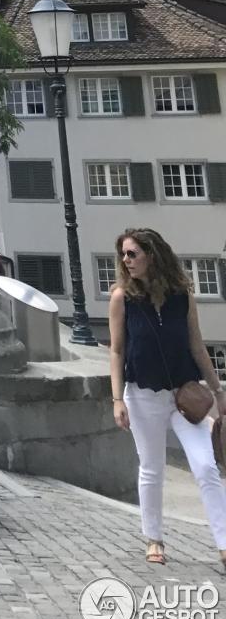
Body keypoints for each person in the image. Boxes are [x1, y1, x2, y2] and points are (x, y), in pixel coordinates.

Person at [109, 226, 226, 569]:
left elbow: (196, 344)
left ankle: (223, 542)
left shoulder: (181, 295)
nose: (126, 260)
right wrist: (117, 399)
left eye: (133, 253)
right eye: (124, 255)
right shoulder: (122, 298)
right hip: (143, 396)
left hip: (185, 395)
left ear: (153, 255)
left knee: (206, 466)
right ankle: (154, 539)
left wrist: (217, 391)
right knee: (152, 469)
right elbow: (116, 351)